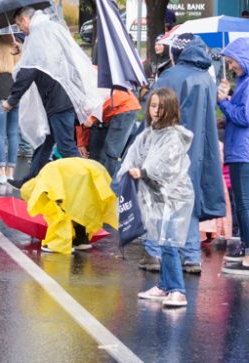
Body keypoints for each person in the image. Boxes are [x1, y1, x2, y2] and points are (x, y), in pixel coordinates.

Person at [152, 34, 226, 274]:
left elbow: (155, 112)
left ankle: (154, 253)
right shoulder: (206, 79)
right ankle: (192, 256)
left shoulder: (170, 77)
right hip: (199, 151)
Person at [5, 7, 102, 189]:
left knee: (66, 146)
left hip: (59, 99)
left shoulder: (39, 33)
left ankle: (85, 185)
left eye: (19, 24)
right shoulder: (46, 29)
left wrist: (12, 99)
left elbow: (30, 69)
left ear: (26, 19)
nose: (20, 28)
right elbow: (46, 58)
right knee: (44, 141)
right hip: (60, 96)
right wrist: (25, 49)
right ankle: (30, 180)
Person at [120, 88, 195, 307]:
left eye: (161, 107)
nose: (156, 111)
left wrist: (142, 172)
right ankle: (164, 286)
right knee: (160, 240)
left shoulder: (173, 136)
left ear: (170, 109)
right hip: (157, 195)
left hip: (174, 197)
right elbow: (135, 152)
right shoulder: (149, 132)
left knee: (169, 241)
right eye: (153, 106)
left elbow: (164, 163)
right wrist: (127, 170)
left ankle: (178, 290)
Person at [216, 37, 249, 275]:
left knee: (248, 203)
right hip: (246, 147)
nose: (230, 66)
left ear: (243, 58)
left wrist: (223, 102)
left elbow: (246, 117)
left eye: (232, 61)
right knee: (247, 202)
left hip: (245, 149)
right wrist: (228, 106)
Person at [0, 33, 21, 184]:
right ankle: (10, 172)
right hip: (15, 89)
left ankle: (0, 172)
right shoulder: (15, 41)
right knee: (13, 133)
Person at [83, 86, 140, 178]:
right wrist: (82, 144)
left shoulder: (107, 83)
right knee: (98, 151)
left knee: (111, 151)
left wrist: (93, 118)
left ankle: (108, 184)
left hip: (125, 108)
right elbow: (83, 124)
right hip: (109, 112)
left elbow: (113, 98)